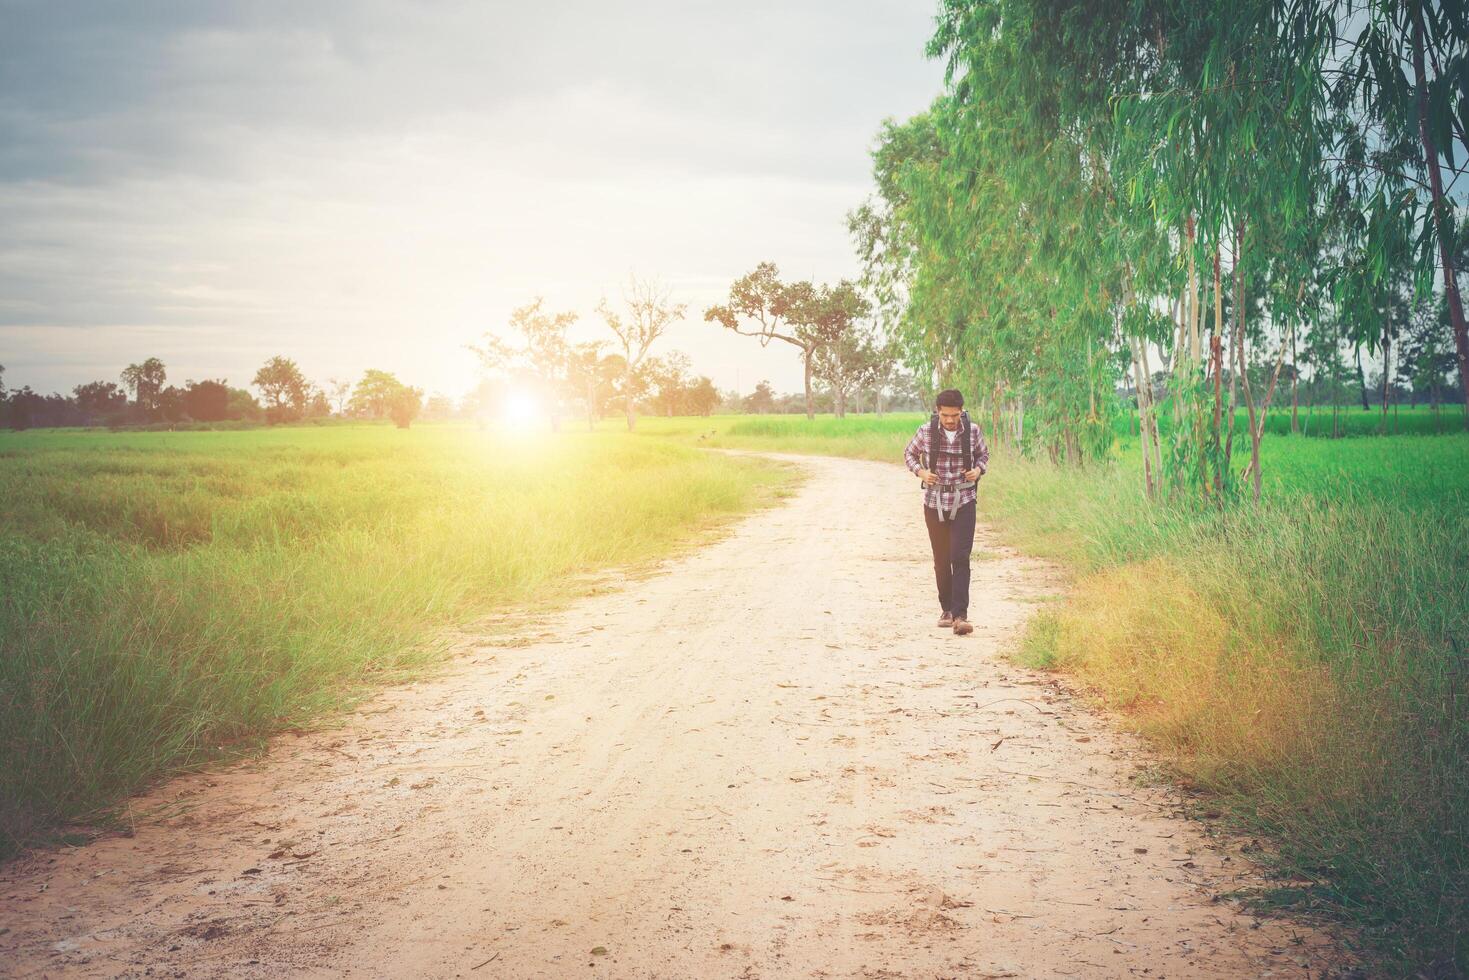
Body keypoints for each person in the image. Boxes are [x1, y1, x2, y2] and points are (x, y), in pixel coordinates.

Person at [903, 389, 989, 636]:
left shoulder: (972, 431)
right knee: (941, 559)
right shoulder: (926, 431)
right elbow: (909, 454)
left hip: (964, 500)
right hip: (934, 501)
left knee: (960, 556)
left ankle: (960, 615)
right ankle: (947, 610)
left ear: (961, 411)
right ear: (937, 412)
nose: (950, 420)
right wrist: (921, 472)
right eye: (945, 415)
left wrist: (978, 470)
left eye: (954, 415)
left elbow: (984, 454)